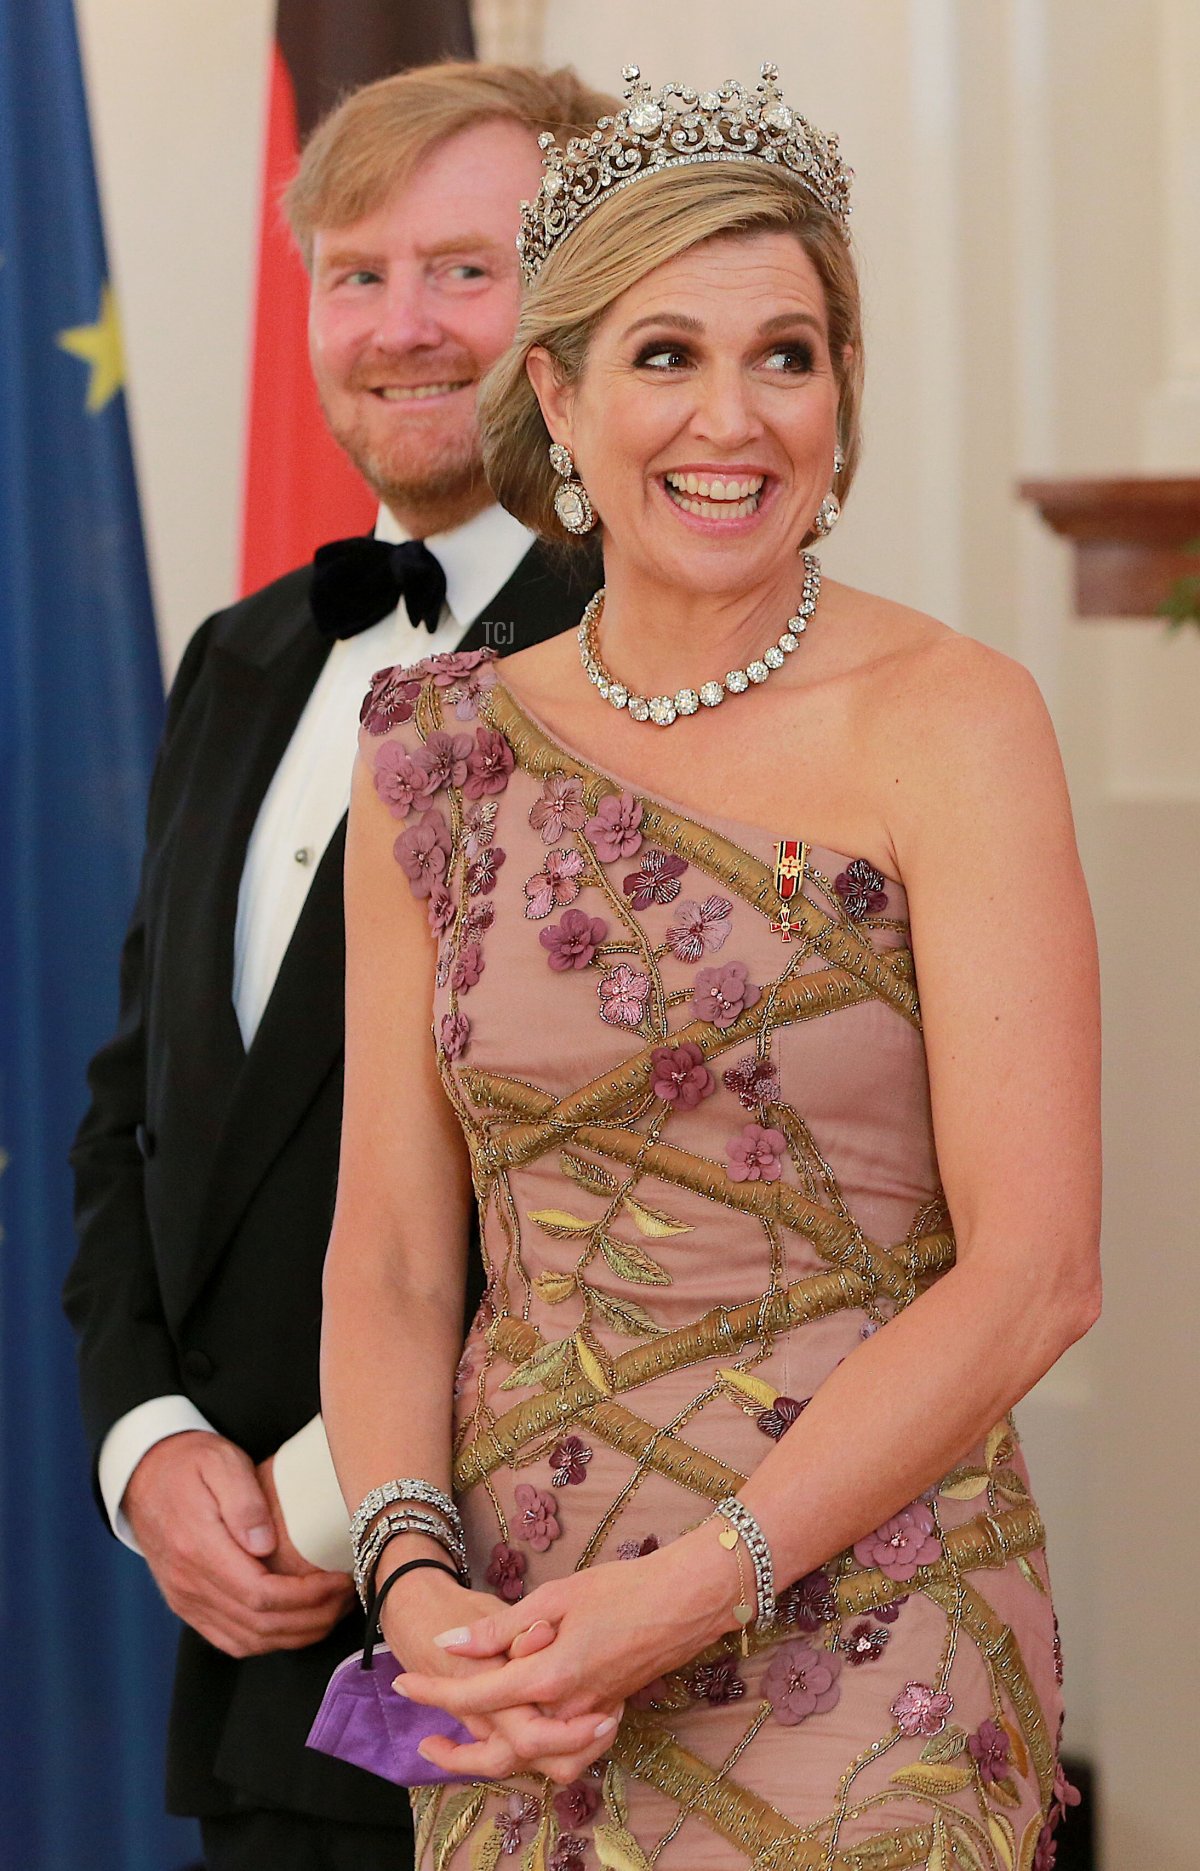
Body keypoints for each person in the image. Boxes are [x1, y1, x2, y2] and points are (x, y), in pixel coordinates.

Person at [320, 62, 1101, 1871]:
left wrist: (699, 1585)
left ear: (844, 395)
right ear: (558, 397)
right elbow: (388, 1249)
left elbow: (1040, 1274)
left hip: (872, 1629)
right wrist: (413, 1572)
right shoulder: (430, 748)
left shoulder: (956, 721)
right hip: (524, 1657)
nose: (732, 419)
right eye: (666, 355)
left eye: (790, 354)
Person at [64, 60, 614, 1871]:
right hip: (255, 1684)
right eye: (356, 273)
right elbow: (137, 1108)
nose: (403, 328)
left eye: (467, 269)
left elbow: (638, 1195)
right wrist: (148, 1446)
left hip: (569, 1651)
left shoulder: (663, 664)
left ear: (587, 285)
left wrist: (320, 1499)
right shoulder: (234, 659)